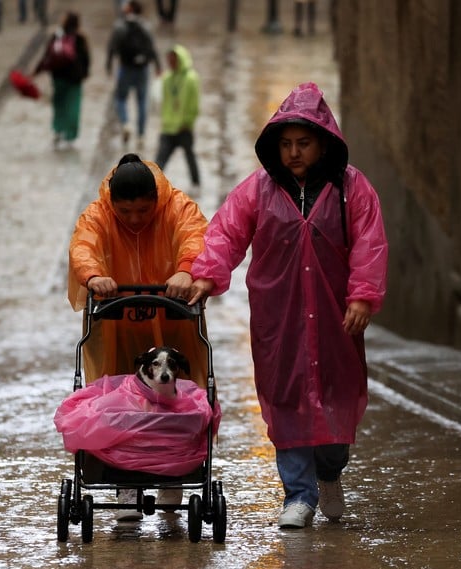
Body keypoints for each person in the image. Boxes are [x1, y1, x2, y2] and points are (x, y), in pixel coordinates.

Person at [188, 82, 388, 529]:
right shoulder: (258, 190)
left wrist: (362, 296)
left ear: (323, 143)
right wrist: (206, 273)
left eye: (303, 143)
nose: (294, 153)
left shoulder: (351, 189)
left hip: (337, 319)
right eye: (286, 145)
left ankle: (329, 472)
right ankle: (298, 495)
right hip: (279, 320)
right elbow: (226, 233)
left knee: (337, 397)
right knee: (286, 401)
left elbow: (370, 245)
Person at [68, 152, 209, 520]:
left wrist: (184, 269)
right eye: (124, 213)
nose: (133, 220)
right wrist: (94, 275)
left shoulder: (177, 207)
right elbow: (83, 245)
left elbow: (196, 237)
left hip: (174, 323)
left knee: (176, 403)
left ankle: (173, 476)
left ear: (156, 202)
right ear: (112, 205)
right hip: (115, 327)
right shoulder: (97, 215)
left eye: (143, 212)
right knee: (118, 403)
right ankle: (124, 483)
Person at [107, 0, 162, 148]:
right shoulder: (145, 26)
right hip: (142, 69)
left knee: (120, 99)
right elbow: (152, 46)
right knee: (142, 102)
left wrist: (109, 64)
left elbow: (112, 46)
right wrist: (158, 65)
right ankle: (141, 135)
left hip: (125, 68)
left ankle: (125, 123)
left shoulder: (120, 26)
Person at [34, 11, 91, 150]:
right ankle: (70, 134)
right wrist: (84, 73)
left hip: (58, 76)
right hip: (74, 78)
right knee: (73, 105)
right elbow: (86, 58)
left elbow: (47, 55)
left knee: (59, 103)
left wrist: (37, 70)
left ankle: (58, 129)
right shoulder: (80, 38)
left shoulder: (57, 36)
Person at [155, 45, 200, 188]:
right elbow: (163, 101)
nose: (171, 63)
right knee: (160, 160)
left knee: (190, 157)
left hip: (183, 127)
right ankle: (152, 186)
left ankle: (196, 183)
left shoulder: (191, 79)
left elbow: (194, 103)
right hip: (168, 127)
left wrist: (188, 121)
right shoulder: (167, 78)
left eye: (174, 60)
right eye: (169, 60)